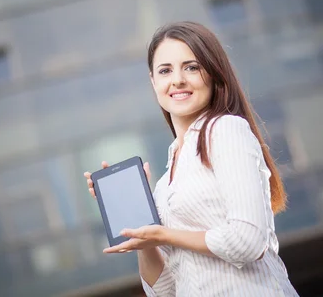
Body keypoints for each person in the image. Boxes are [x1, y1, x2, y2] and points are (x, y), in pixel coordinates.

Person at [84, 21, 299, 296]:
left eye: (191, 67)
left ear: (213, 73)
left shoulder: (226, 130)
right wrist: (145, 234)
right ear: (153, 81)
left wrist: (165, 235)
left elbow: (248, 242)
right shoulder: (165, 186)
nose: (177, 80)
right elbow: (164, 292)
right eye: (165, 71)